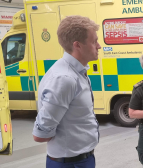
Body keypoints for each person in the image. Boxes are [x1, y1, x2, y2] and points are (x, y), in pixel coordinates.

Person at [32, 15, 101, 168]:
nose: (99, 46)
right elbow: (40, 135)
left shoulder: (76, 72)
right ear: (78, 45)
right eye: (94, 41)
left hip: (81, 159)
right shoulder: (65, 79)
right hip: (70, 163)